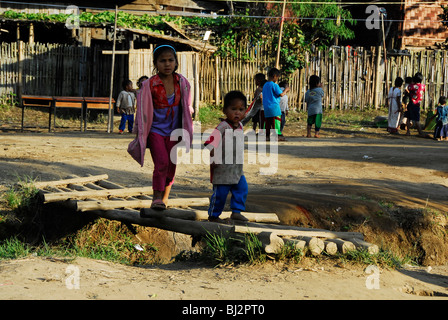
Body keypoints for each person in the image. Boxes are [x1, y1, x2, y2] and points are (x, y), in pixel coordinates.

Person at [127, 44, 194, 210]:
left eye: (170, 60)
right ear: (155, 63)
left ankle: (164, 199)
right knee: (162, 162)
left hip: (174, 132)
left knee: (171, 164)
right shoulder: (149, 85)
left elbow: (187, 106)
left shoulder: (182, 83)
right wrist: (140, 131)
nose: (167, 64)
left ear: (176, 62)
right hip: (155, 131)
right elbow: (142, 110)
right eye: (162, 60)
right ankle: (156, 197)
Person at [204, 91, 249, 223]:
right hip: (222, 168)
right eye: (233, 109)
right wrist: (214, 159)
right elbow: (210, 144)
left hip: (236, 168)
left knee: (242, 188)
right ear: (225, 110)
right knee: (220, 194)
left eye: (241, 109)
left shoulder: (240, 126)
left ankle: (236, 212)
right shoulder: (222, 127)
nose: (237, 113)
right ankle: (213, 215)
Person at [262, 68, 289, 141]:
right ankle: (277, 136)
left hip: (266, 107)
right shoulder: (274, 85)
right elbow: (281, 94)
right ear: (274, 76)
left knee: (268, 122)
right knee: (276, 121)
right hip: (274, 107)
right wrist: (286, 90)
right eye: (277, 77)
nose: (277, 79)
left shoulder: (265, 85)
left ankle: (267, 136)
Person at [405, 72, 426, 136]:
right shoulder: (423, 86)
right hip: (417, 104)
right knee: (417, 119)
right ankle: (420, 132)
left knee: (408, 117)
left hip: (411, 103)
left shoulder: (411, 86)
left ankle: (408, 131)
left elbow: (407, 90)